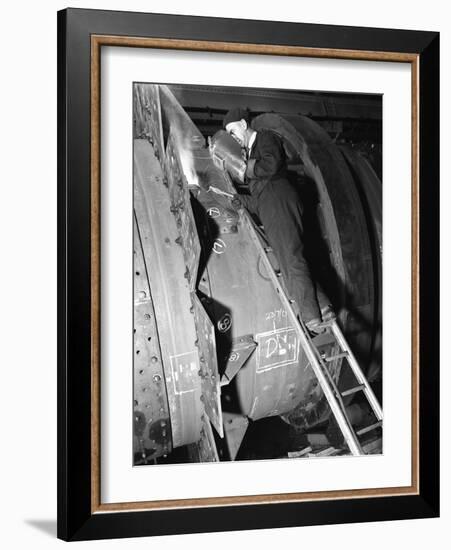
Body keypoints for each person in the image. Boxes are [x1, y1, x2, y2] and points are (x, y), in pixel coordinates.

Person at [223, 107, 334, 333]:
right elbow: (260, 198)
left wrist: (244, 169)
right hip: (271, 204)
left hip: (280, 199)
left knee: (291, 257)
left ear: (244, 125)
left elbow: (271, 166)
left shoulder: (265, 138)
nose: (232, 137)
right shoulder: (252, 153)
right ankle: (323, 306)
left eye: (232, 131)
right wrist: (240, 200)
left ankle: (312, 316)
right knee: (289, 256)